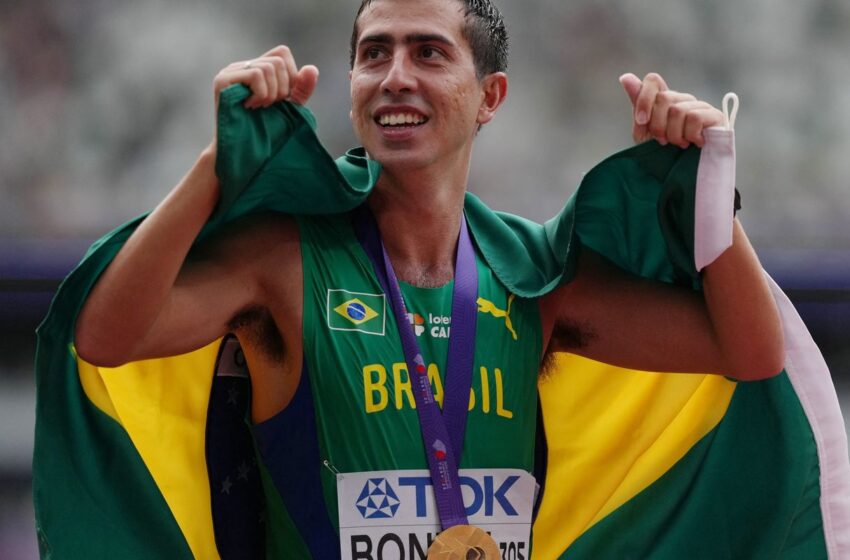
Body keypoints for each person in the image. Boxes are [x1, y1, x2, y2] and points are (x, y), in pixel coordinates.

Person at [72, 0, 785, 556]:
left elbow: (751, 351)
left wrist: (708, 194)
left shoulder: (534, 276)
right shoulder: (282, 260)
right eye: (373, 53)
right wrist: (213, 169)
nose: (395, 76)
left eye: (429, 52)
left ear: (490, 96)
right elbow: (105, 337)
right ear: (351, 84)